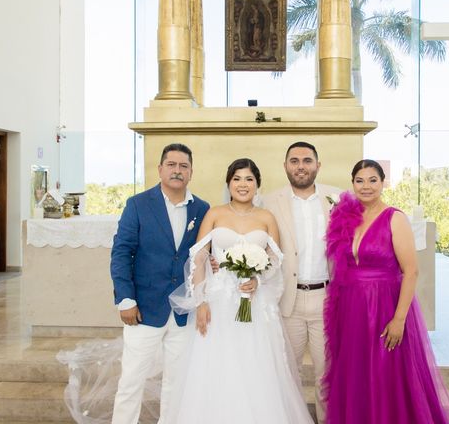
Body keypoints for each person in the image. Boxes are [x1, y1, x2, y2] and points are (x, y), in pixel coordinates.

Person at [165, 158, 314, 424]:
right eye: (237, 179)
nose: (242, 185)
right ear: (228, 183)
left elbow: (275, 259)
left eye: (249, 179)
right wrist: (200, 301)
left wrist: (258, 280)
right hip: (218, 302)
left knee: (255, 368)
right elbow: (199, 257)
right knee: (217, 368)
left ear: (257, 185)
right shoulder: (215, 213)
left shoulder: (266, 217)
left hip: (255, 305)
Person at [323, 159, 449, 424]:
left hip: (384, 306)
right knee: (356, 374)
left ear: (383, 182)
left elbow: (411, 271)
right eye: (360, 181)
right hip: (351, 308)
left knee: (386, 374)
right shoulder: (346, 217)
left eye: (372, 180)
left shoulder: (394, 218)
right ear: (352, 183)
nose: (366, 187)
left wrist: (399, 319)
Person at [110, 143, 210, 424]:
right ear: (160, 169)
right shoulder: (138, 204)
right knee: (131, 381)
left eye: (183, 166)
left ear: (191, 172)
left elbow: (202, 254)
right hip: (143, 308)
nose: (177, 171)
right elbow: (121, 252)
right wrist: (126, 299)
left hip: (183, 311)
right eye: (172, 165)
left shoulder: (201, 209)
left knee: (176, 383)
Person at [262, 142, 341, 424]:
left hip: (326, 299)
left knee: (327, 377)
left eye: (307, 160)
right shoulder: (270, 201)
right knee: (288, 374)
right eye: (294, 161)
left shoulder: (338, 198)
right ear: (285, 166)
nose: (301, 166)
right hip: (288, 300)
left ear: (318, 165)